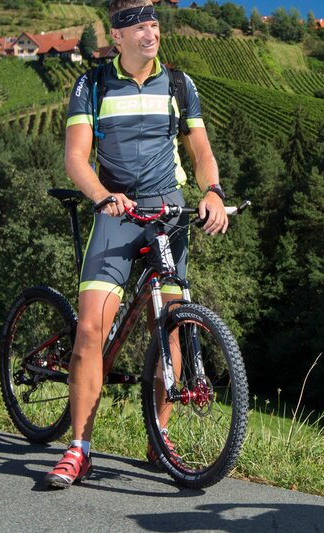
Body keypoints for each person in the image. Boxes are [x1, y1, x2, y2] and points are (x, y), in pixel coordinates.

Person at [46, 0, 228, 489]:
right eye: (140, 26)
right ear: (118, 35)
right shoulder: (93, 84)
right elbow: (76, 157)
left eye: (155, 24)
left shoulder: (180, 84)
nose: (151, 33)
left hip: (167, 213)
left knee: (169, 327)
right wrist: (104, 196)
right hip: (116, 212)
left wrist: (212, 191)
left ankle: (159, 435)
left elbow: (203, 151)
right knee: (89, 330)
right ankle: (79, 448)